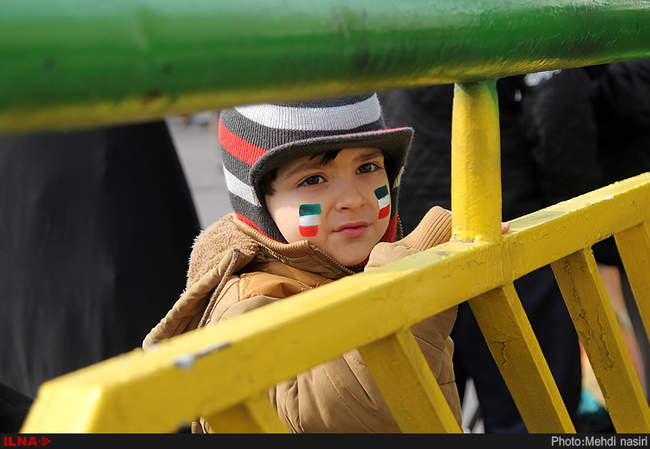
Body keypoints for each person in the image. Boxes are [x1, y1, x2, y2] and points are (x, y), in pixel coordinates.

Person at [143, 94, 464, 433]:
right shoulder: (249, 301)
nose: (353, 199)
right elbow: (345, 410)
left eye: (367, 167)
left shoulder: (360, 266)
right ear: (258, 202)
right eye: (313, 179)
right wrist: (408, 278)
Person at [380, 79, 582, 433]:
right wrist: (570, 217)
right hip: (510, 230)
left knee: (424, 418)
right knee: (533, 416)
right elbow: (556, 107)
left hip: (409, 240)